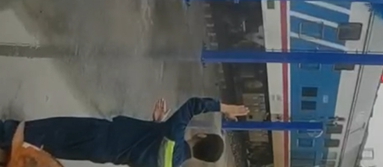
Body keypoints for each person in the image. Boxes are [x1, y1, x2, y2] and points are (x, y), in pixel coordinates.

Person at [0, 97, 249, 167]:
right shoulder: (169, 162)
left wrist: (224, 108)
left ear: (201, 136)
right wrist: (155, 125)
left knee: (43, 132)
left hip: (100, 134)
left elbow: (193, 105)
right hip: (101, 154)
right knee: (44, 149)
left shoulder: (173, 136)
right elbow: (140, 153)